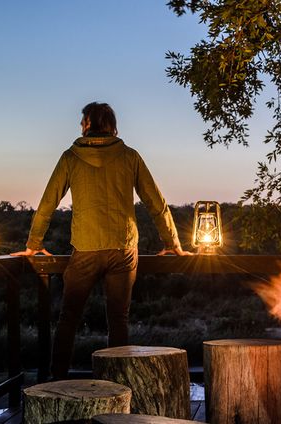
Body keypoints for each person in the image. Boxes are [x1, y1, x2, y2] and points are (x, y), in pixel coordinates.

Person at [12, 102, 191, 379]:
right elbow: (156, 202)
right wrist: (172, 242)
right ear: (112, 125)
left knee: (69, 318)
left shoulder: (70, 157)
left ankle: (57, 382)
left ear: (86, 124)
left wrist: (33, 244)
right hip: (123, 249)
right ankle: (117, 384)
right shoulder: (130, 156)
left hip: (85, 249)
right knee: (118, 320)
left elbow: (48, 203)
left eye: (82, 121)